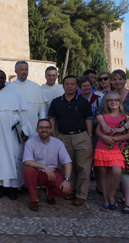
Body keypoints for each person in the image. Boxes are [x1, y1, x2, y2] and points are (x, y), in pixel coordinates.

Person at [0, 70, 33, 200]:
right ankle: (1, 188)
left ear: (5, 79)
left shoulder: (14, 95)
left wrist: (25, 131)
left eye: (2, 78)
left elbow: (22, 114)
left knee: (14, 160)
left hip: (12, 134)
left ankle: (13, 189)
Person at [95, 69, 129, 214]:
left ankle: (128, 200)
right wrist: (104, 126)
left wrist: (123, 128)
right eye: (114, 79)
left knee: (125, 171)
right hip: (107, 140)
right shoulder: (108, 97)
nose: (117, 82)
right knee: (108, 171)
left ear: (125, 80)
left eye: (120, 79)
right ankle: (112, 197)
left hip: (126, 139)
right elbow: (99, 113)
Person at [48, 75, 93, 206]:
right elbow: (52, 120)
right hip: (63, 138)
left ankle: (81, 195)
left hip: (82, 137)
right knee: (68, 166)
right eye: (67, 84)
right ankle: (70, 190)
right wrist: (55, 138)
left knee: (83, 167)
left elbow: (88, 120)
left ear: (76, 86)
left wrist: (89, 137)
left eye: (72, 84)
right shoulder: (56, 102)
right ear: (63, 86)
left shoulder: (83, 102)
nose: (69, 86)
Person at [23, 119, 72, 212]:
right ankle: (34, 200)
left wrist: (67, 180)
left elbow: (67, 162)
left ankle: (50, 194)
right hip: (37, 173)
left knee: (68, 189)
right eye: (41, 127)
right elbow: (27, 161)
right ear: (37, 130)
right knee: (28, 171)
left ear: (51, 130)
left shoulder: (58, 143)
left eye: (46, 127)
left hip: (52, 174)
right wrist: (44, 167)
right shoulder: (30, 142)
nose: (44, 130)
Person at [95, 93, 129, 212]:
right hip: (102, 147)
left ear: (120, 102)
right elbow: (97, 131)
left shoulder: (127, 117)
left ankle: (111, 195)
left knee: (117, 172)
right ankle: (106, 201)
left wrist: (113, 139)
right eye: (110, 100)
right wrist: (104, 137)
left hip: (117, 148)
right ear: (106, 103)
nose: (113, 102)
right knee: (104, 174)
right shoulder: (104, 116)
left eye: (116, 100)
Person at [8, 61, 47, 138]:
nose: (24, 72)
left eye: (26, 69)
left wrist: (43, 126)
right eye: (22, 70)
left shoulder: (35, 87)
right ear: (16, 71)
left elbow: (42, 109)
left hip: (33, 125)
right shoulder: (9, 88)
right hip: (16, 126)